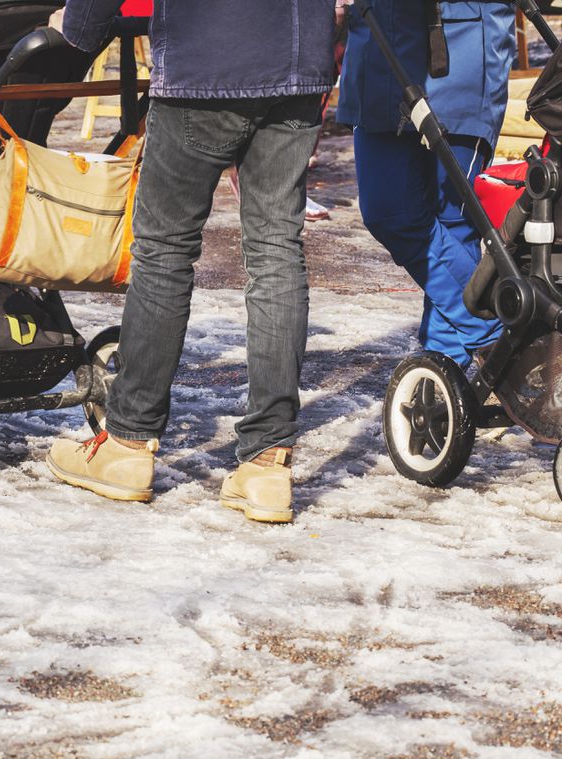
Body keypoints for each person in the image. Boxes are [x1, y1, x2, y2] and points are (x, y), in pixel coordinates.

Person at [44, 0, 339, 523]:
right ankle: (268, 464)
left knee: (163, 252)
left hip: (206, 63)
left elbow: (86, 22)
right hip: (297, 64)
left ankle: (129, 446)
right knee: (276, 251)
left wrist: (79, 30)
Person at [337, 0, 515, 368]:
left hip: (461, 47)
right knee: (387, 211)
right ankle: (497, 333)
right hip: (378, 50)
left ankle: (443, 380)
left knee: (454, 224)